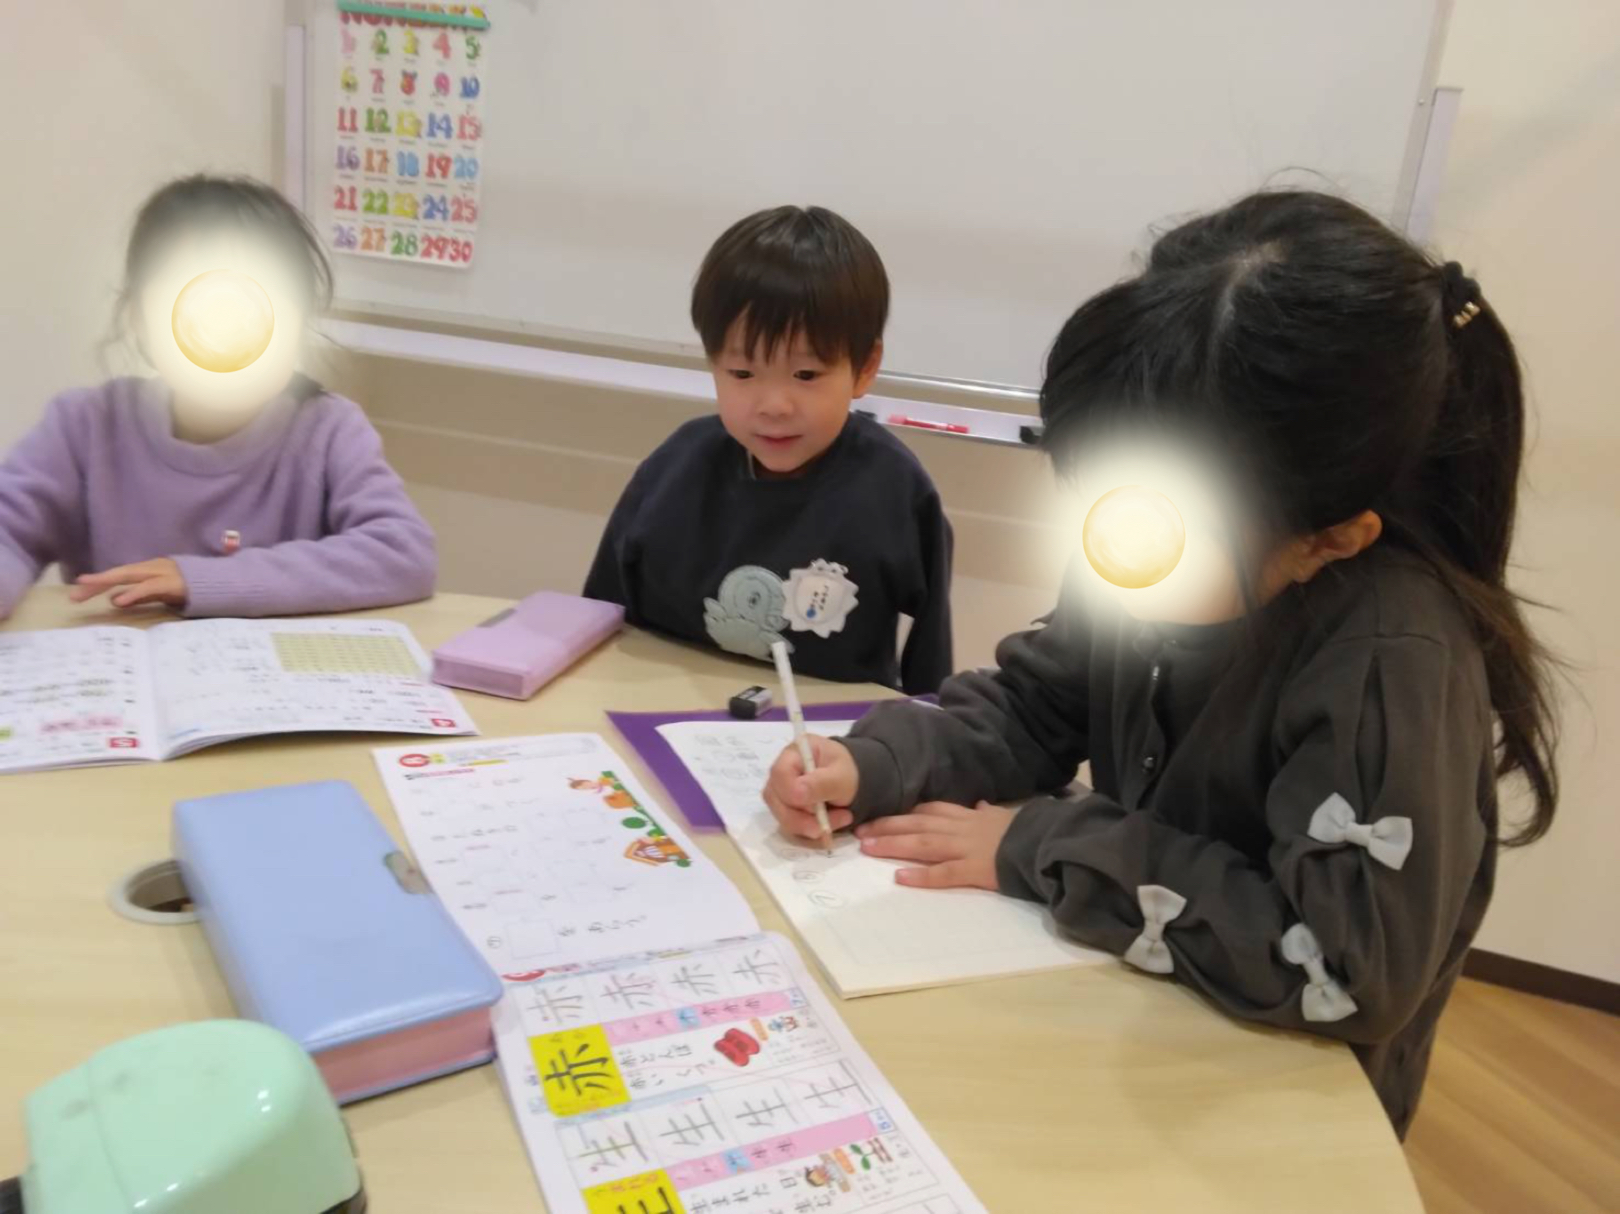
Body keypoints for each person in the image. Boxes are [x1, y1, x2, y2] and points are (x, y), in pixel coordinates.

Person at [761, 190, 1559, 1136]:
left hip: (1271, 1102)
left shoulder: (1390, 658)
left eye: (1161, 527)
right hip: (1139, 1008)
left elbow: (1340, 966)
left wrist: (1045, 845)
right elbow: (1036, 705)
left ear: (1330, 539)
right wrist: (880, 763)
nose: (1116, 550)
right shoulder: (1157, 536)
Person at [0, 174, 436, 620]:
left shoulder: (328, 431)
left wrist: (201, 579)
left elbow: (403, 552)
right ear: (139, 320)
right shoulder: (85, 425)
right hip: (116, 662)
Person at [583, 205, 953, 694]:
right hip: (661, 715)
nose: (774, 406)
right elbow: (596, 622)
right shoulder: (675, 468)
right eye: (742, 373)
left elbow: (930, 673)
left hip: (826, 735)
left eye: (806, 375)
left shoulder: (894, 491)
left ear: (864, 367)